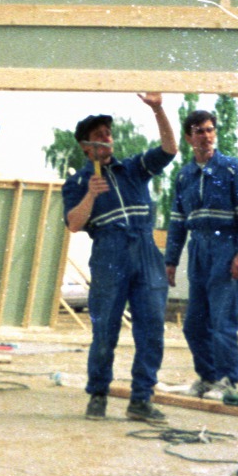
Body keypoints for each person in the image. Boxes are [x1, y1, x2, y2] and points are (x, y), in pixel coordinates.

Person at [63, 93, 177, 422]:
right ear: (86, 148)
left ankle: (141, 400)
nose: (106, 140)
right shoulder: (78, 182)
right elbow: (73, 223)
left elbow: (170, 148)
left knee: (152, 328)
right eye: (98, 136)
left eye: (108, 134)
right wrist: (90, 195)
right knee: (105, 330)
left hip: (145, 248)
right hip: (109, 252)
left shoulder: (134, 170)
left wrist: (157, 108)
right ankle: (98, 396)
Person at [163, 109, 238, 400]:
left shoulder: (233, 169)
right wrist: (170, 260)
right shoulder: (184, 176)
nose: (205, 136)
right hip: (198, 249)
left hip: (225, 247)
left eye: (209, 130)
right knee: (194, 324)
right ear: (188, 137)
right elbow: (178, 222)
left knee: (222, 321)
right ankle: (207, 377)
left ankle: (228, 380)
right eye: (199, 131)